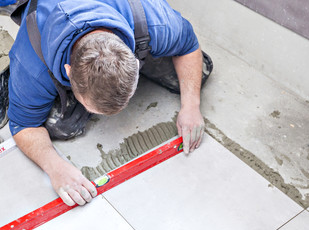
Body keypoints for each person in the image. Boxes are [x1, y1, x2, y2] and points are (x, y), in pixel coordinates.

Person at [5, 0, 213, 207]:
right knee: (56, 124)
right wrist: (54, 167)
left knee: (195, 73)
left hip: (137, 28)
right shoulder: (31, 65)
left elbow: (188, 46)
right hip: (40, 22)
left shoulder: (153, 20)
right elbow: (24, 125)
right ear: (68, 72)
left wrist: (191, 106)